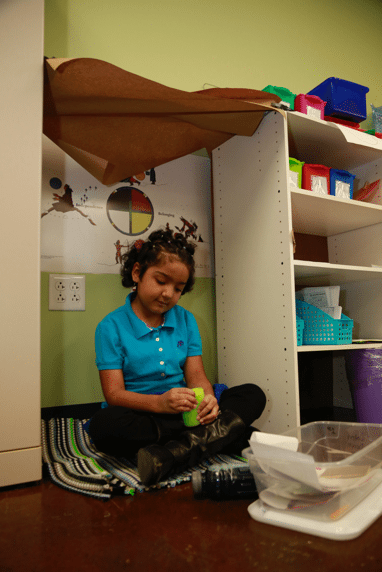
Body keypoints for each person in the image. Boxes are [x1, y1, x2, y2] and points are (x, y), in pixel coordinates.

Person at [88, 228, 266, 486]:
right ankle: (218, 437)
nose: (169, 293)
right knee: (103, 426)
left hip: (186, 413)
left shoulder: (185, 319)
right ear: (137, 273)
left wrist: (207, 400)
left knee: (253, 394)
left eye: (178, 288)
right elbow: (114, 394)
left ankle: (174, 452)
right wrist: (159, 404)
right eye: (161, 281)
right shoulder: (110, 327)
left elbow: (196, 376)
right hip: (144, 415)